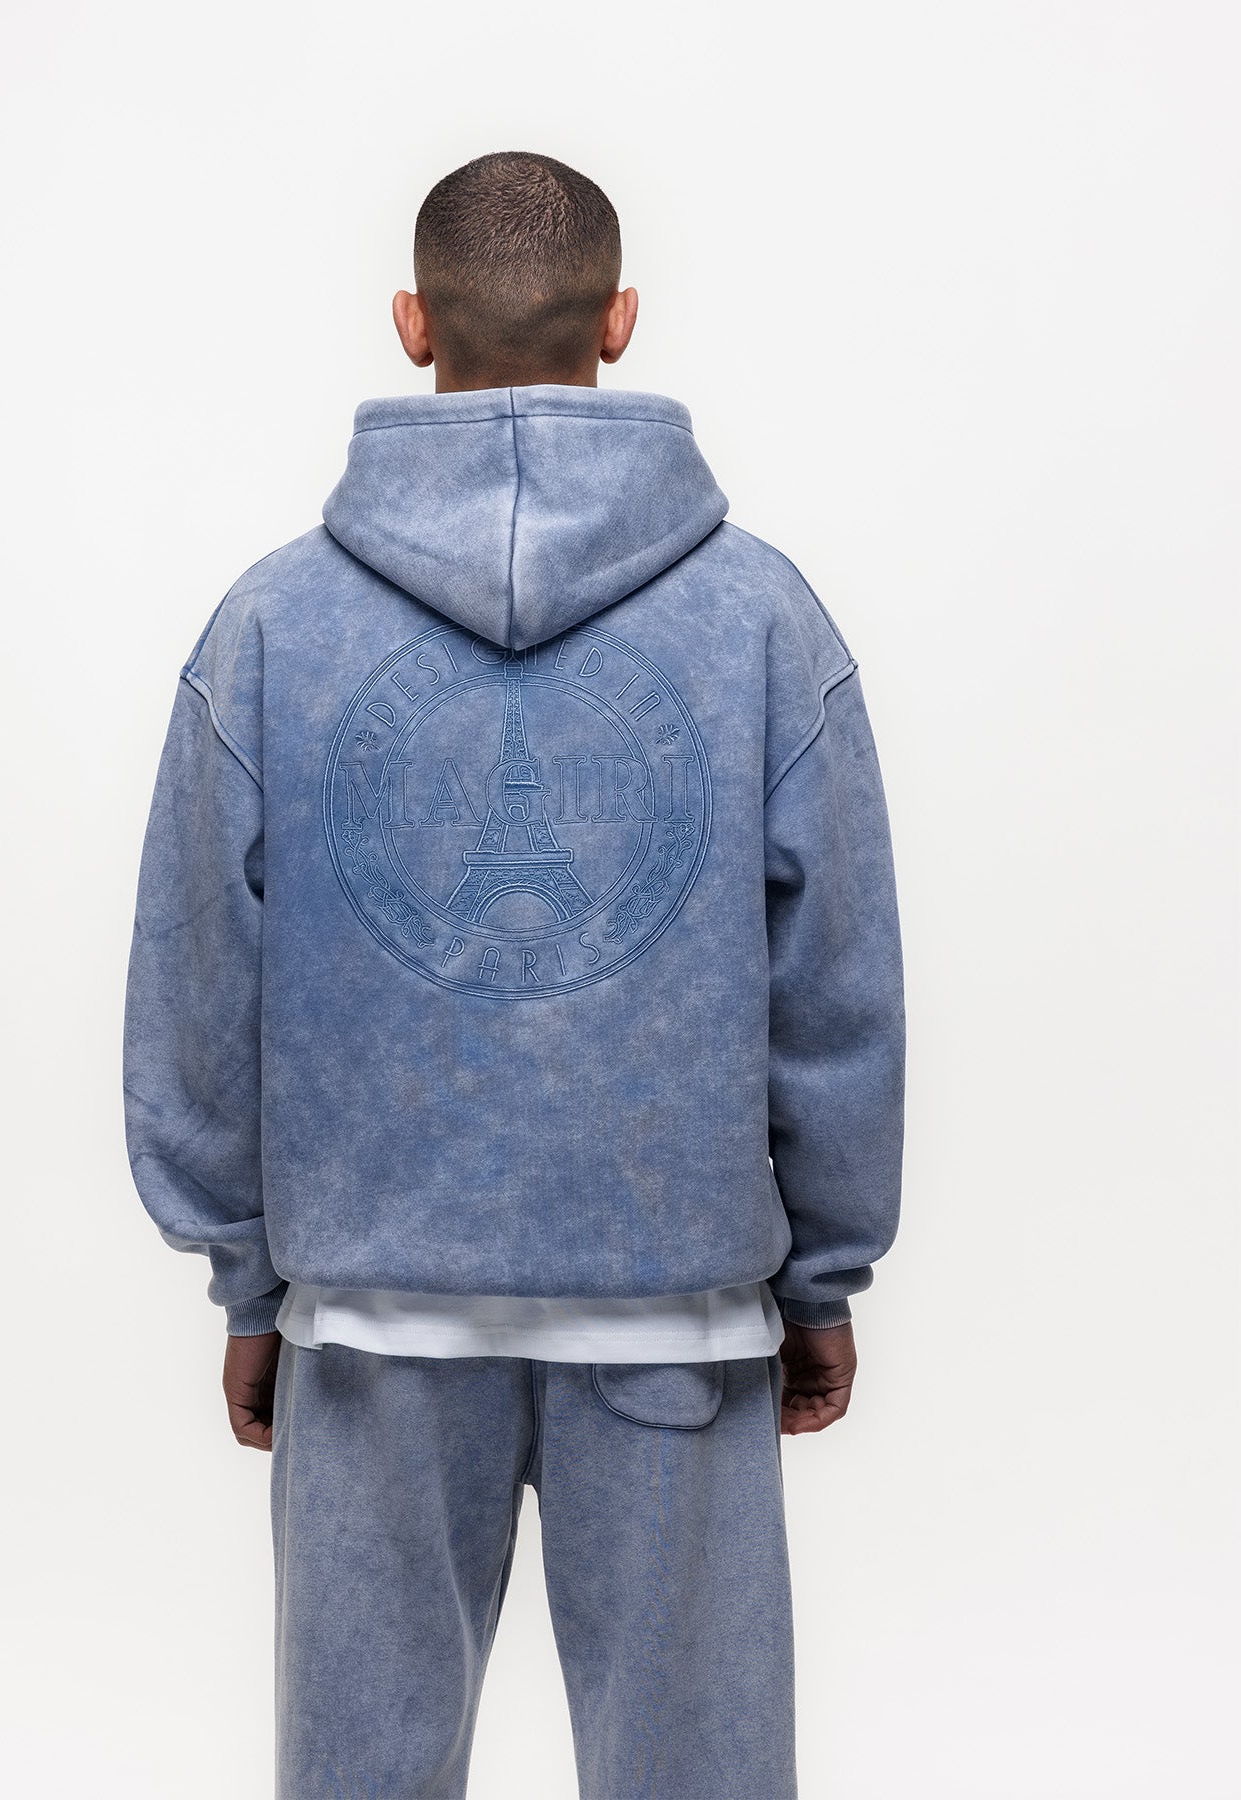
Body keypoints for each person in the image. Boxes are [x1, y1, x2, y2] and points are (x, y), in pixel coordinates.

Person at [123, 150, 905, 1800]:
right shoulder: (765, 622)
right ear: (621, 322)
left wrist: (249, 1284)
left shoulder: (269, 628)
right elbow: (836, 994)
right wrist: (820, 1280)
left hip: (367, 1325)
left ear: (412, 324)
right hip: (681, 1318)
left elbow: (198, 1002)